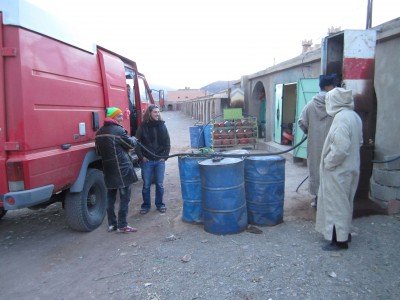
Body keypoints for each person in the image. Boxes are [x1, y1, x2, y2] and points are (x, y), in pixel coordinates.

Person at [315, 88, 363, 251]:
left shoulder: (341, 118)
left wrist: (329, 163)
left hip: (338, 171)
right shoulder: (353, 116)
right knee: (345, 202)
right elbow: (360, 141)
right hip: (350, 168)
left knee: (336, 205)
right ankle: (345, 233)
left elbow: (341, 148)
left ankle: (338, 241)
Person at [95, 107, 138, 233]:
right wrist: (134, 140)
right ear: (113, 117)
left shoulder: (99, 132)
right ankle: (122, 225)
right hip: (122, 169)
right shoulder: (118, 130)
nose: (121, 118)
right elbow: (130, 145)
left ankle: (112, 224)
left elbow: (98, 152)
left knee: (111, 197)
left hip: (108, 169)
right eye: (119, 116)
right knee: (125, 198)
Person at [298, 74, 337, 208]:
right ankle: (330, 201)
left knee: (316, 170)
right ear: (327, 86)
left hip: (315, 146)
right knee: (331, 170)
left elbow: (301, 122)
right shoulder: (337, 105)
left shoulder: (310, 105)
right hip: (333, 146)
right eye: (333, 85)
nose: (335, 87)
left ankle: (317, 200)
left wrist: (311, 131)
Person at [135, 104, 170, 214]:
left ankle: (160, 204)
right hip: (147, 161)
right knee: (146, 185)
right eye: (155, 112)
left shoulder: (162, 126)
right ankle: (146, 206)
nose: (157, 114)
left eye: (158, 112)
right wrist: (141, 157)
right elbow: (136, 143)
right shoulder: (143, 126)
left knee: (159, 184)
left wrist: (165, 156)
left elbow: (167, 142)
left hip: (160, 160)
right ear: (149, 113)